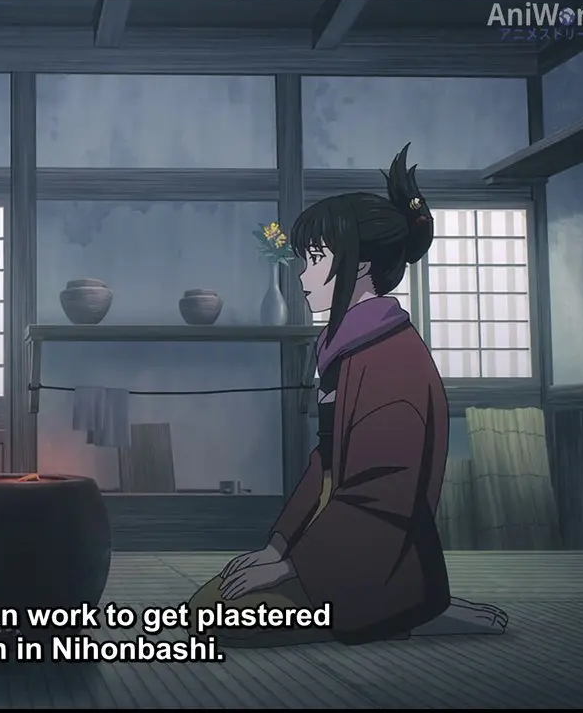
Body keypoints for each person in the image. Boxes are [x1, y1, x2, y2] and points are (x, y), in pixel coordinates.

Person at [187, 144, 508, 648]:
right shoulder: (350, 346)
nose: (302, 274)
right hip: (331, 540)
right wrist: (277, 547)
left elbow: (383, 493)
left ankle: (415, 610)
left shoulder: (392, 359)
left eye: (315, 259)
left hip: (377, 554)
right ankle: (415, 607)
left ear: (359, 267)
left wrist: (292, 565)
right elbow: (327, 462)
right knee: (208, 605)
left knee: (216, 618)